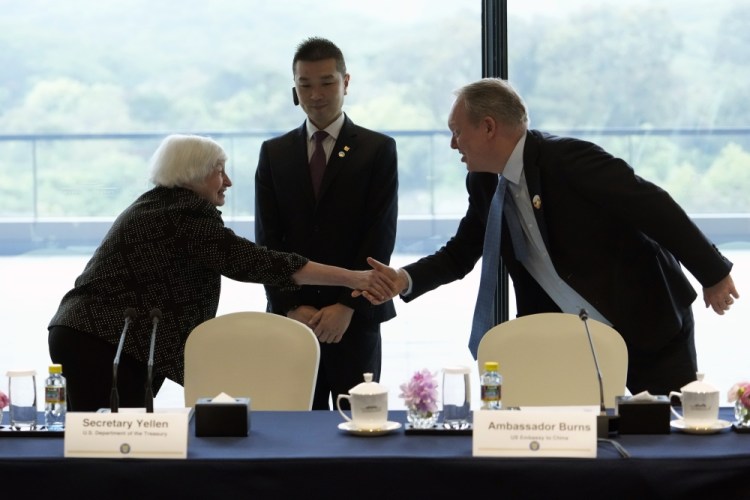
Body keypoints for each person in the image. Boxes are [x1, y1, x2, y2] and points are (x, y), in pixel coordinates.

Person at [365, 78, 739, 396]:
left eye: (457, 131)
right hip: (570, 336)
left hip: (646, 320)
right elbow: (460, 252)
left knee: (665, 437)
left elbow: (653, 206)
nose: (452, 144)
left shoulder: (568, 159)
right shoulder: (484, 183)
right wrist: (403, 279)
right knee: (572, 439)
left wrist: (713, 273)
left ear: (489, 127)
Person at [48, 134, 396, 412]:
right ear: (194, 172)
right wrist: (353, 278)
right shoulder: (183, 214)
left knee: (112, 443)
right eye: (219, 170)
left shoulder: (160, 205)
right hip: (103, 340)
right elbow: (259, 262)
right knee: (110, 446)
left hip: (99, 336)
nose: (227, 181)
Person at [254, 37, 398, 409]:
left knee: (360, 420)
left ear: (345, 83)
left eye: (327, 82)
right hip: (293, 318)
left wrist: (346, 306)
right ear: (294, 89)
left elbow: (379, 236)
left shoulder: (377, 149)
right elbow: (267, 241)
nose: (316, 95)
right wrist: (290, 305)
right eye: (305, 85)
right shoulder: (274, 153)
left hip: (355, 317)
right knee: (295, 423)